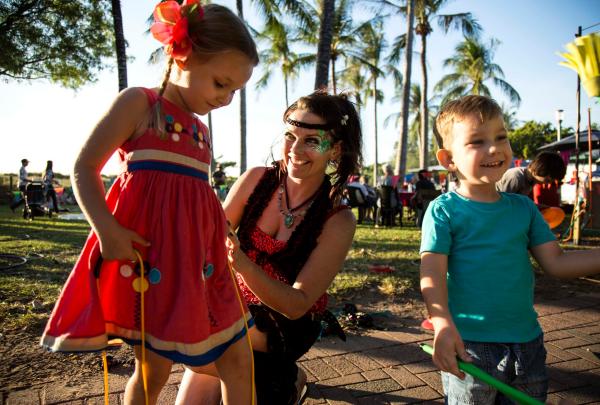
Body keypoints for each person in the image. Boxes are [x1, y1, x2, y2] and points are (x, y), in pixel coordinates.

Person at [41, 2, 259, 404]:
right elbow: (84, 167)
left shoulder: (199, 129)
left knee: (239, 359)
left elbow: (194, 195)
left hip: (201, 267)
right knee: (153, 370)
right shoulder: (140, 105)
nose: (226, 98)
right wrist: (107, 230)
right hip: (154, 263)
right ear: (182, 55)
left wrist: (220, 228)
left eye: (234, 91)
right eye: (220, 83)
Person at [176, 91, 363, 405]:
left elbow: (297, 304)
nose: (295, 150)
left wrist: (243, 265)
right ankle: (280, 379)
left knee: (212, 343)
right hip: (230, 309)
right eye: (291, 136)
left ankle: (284, 378)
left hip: (284, 323)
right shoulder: (255, 180)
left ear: (336, 151)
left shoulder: (338, 219)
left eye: (312, 141)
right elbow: (208, 241)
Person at [420, 95, 600, 404]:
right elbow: (432, 274)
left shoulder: (524, 208)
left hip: (527, 343)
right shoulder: (444, 211)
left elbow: (556, 263)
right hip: (470, 346)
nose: (494, 148)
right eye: (477, 141)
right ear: (448, 159)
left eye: (501, 136)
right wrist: (442, 324)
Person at [496, 151, 566, 197]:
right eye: (549, 179)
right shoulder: (516, 177)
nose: (549, 183)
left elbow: (521, 202)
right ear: (541, 169)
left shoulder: (531, 181)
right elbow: (502, 205)